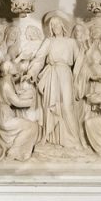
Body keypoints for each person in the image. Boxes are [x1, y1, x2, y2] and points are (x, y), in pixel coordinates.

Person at [25, 11, 85, 149]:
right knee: (50, 107)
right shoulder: (49, 41)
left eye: (58, 23)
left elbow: (80, 61)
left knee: (67, 105)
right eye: (53, 25)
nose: (56, 26)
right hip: (52, 74)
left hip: (65, 73)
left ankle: (75, 140)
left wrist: (77, 76)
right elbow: (39, 59)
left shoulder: (71, 42)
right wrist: (31, 72)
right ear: (51, 28)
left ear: (62, 25)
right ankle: (50, 138)